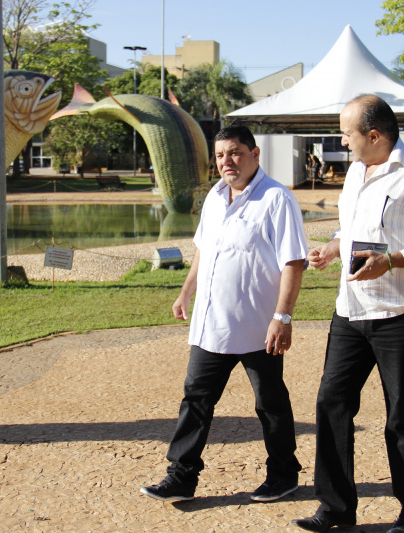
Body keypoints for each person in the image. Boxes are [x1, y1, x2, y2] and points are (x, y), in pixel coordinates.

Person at [292, 95, 404, 533]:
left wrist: (392, 261)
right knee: (331, 403)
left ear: (374, 135)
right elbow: (354, 227)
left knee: (402, 414)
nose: (342, 142)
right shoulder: (353, 171)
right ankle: (335, 508)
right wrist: (333, 247)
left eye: (347, 133)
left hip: (403, 312)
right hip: (350, 309)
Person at [141, 124, 309, 503]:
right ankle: (181, 476)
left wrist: (282, 317)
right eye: (219, 155)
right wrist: (186, 292)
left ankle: (284, 475)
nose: (226, 162)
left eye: (234, 152)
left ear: (254, 154)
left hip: (257, 325)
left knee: (270, 403)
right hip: (211, 324)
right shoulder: (215, 198)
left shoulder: (276, 199)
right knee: (195, 399)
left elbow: (293, 262)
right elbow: (203, 249)